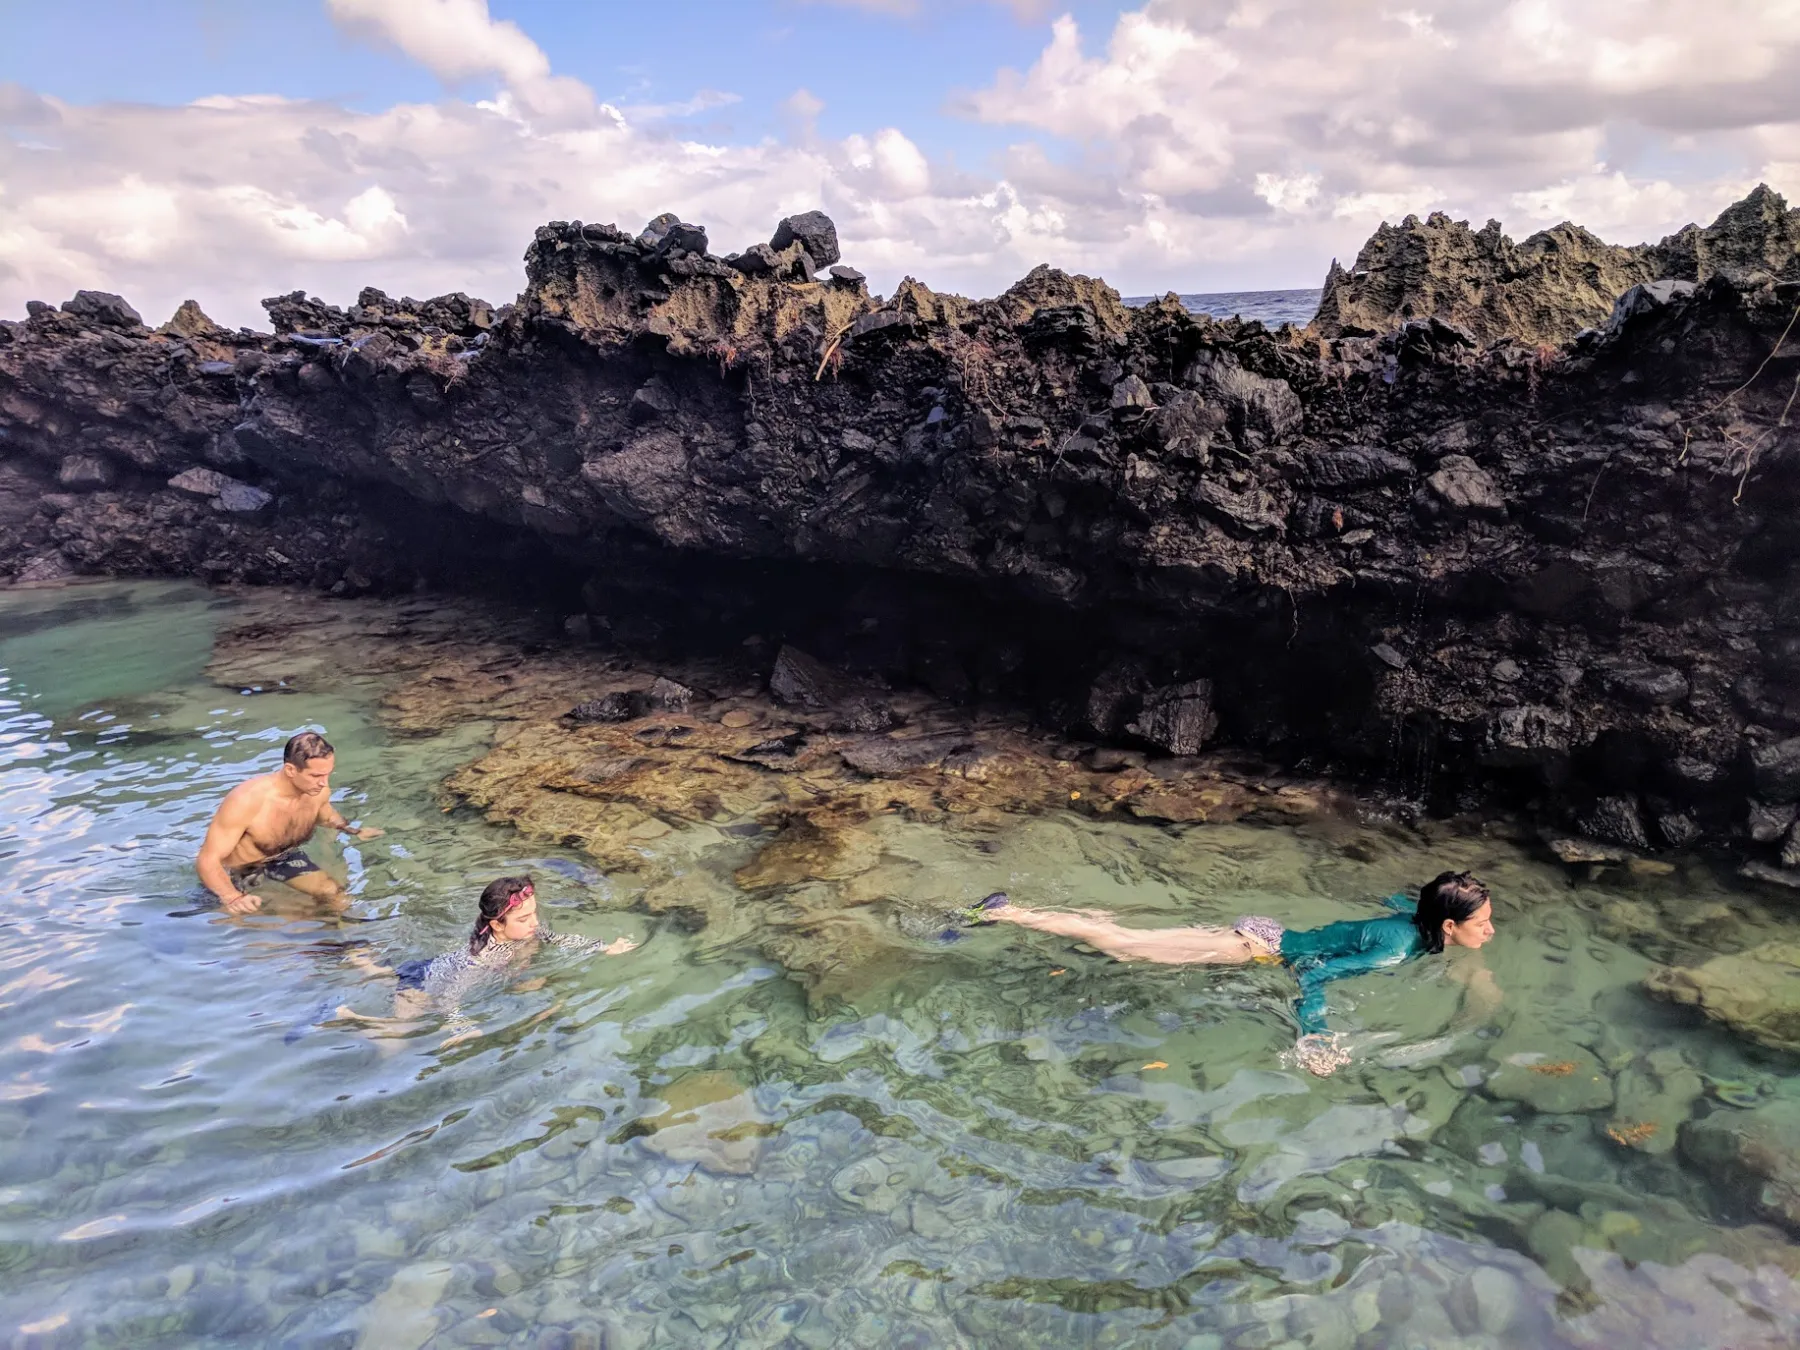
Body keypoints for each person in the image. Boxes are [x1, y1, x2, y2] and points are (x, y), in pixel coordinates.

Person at [973, 870, 1498, 1076]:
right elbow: (1313, 973)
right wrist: (1314, 1034)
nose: (1492, 931)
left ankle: (1063, 917)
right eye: (1484, 924)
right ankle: (1003, 913)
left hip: (1263, 937)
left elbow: (1402, 902)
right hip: (1253, 949)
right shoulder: (1394, 951)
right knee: (1125, 947)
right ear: (1448, 926)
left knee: (1129, 938)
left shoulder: (1415, 922)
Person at [340, 875, 637, 1045]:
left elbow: (560, 938)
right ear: (497, 924)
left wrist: (603, 947)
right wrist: (459, 1024)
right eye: (523, 918)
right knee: (398, 1035)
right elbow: (449, 995)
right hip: (425, 984)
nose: (534, 922)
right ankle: (350, 1018)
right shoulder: (484, 958)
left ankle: (366, 964)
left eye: (533, 913)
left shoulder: (528, 931)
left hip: (432, 966)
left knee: (389, 978)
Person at [196, 730, 383, 914]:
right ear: (290, 770)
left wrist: (354, 831)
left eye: (327, 774)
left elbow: (327, 816)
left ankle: (342, 933)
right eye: (316, 776)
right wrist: (232, 897)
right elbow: (208, 860)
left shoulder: (317, 792)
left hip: (283, 858)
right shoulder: (246, 800)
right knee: (257, 922)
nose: (324, 783)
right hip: (239, 872)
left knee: (332, 894)